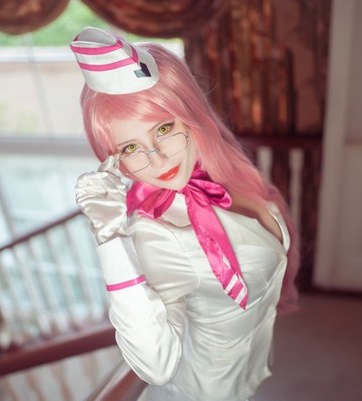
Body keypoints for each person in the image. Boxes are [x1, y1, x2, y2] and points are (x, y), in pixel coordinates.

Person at [70, 27, 299, 401]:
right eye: (131, 148)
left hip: (247, 372)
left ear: (191, 115)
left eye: (163, 128)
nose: (158, 158)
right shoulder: (156, 233)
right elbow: (155, 366)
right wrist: (110, 237)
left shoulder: (229, 176)